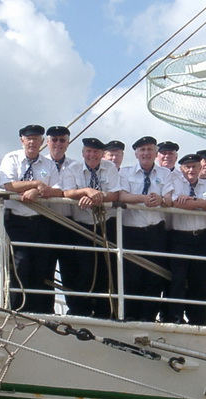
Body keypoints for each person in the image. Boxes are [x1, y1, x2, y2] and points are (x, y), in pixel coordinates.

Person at [0, 124, 63, 314]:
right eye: (29, 138)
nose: (32, 142)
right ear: (22, 140)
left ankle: (41, 312)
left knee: (41, 267)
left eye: (36, 139)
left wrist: (39, 190)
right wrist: (36, 183)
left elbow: (58, 189)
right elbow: (8, 185)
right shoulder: (12, 158)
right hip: (16, 221)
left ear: (42, 142)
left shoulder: (48, 164)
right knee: (20, 266)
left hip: (40, 221)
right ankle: (16, 310)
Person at [60, 137, 123, 318]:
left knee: (107, 268)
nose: (92, 155)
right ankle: (80, 309)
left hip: (106, 224)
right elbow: (68, 192)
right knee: (85, 270)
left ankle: (105, 310)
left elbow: (115, 193)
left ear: (102, 154)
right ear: (83, 153)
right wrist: (87, 191)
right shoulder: (73, 169)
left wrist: (98, 195)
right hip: (82, 225)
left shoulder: (109, 168)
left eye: (96, 152)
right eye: (88, 151)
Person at [118, 136, 174, 321]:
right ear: (136, 154)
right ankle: (129, 318)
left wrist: (160, 200)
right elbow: (122, 196)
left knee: (154, 277)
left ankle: (148, 318)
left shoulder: (165, 173)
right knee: (131, 278)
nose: (146, 153)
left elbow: (168, 199)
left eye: (150, 149)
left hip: (155, 232)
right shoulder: (125, 173)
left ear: (156, 153)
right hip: (131, 232)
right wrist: (143, 199)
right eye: (142, 150)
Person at [165, 154, 206, 325]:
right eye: (187, 167)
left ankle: (198, 321)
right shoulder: (175, 182)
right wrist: (202, 203)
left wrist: (192, 200)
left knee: (200, 282)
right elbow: (174, 202)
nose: (191, 170)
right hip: (180, 237)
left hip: (202, 238)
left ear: (200, 168)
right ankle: (175, 318)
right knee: (177, 281)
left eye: (194, 166)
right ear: (182, 169)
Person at [44, 125, 80, 312]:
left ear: (68, 142)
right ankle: (46, 310)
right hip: (44, 222)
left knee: (71, 270)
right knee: (45, 268)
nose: (58, 143)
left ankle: (75, 310)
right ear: (47, 142)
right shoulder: (39, 164)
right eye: (54, 139)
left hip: (68, 223)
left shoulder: (76, 166)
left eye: (62, 140)